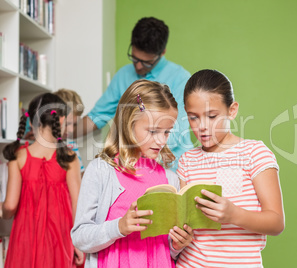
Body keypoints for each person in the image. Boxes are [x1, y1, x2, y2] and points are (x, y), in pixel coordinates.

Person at [71, 80, 194, 268]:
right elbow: (80, 237)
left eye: (167, 132)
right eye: (153, 131)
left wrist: (177, 245)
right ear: (129, 124)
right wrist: (119, 227)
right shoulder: (101, 171)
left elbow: (166, 247)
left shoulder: (170, 179)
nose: (161, 140)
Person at [176, 69, 285, 267]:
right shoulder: (187, 161)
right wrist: (177, 239)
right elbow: (183, 224)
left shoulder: (254, 153)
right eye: (193, 117)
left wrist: (233, 214)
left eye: (211, 116)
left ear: (232, 110)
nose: (202, 126)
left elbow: (277, 223)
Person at [82, 17, 193, 171]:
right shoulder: (123, 75)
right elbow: (96, 117)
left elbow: (176, 133)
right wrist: (61, 130)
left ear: (162, 53)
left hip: (172, 169)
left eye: (146, 62)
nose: (139, 66)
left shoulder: (181, 79)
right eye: (134, 59)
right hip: (131, 168)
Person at [0, 93, 84, 267]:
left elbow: (11, 205)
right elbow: (78, 204)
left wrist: (2, 210)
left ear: (31, 123)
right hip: (60, 237)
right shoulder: (69, 158)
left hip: (26, 237)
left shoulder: (18, 157)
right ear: (60, 120)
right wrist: (79, 243)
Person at [55, 88, 86, 176]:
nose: (71, 130)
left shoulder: (71, 145)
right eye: (67, 124)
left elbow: (81, 176)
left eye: (75, 124)